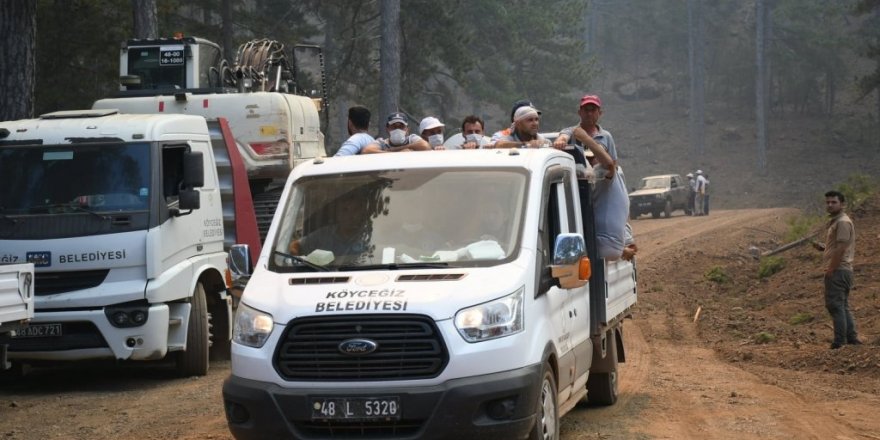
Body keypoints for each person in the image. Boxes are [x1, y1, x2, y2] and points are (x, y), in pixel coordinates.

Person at [812, 190, 860, 349]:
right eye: (828, 202)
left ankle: (839, 342)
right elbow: (836, 247)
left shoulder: (843, 222)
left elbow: (841, 249)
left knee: (835, 305)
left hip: (839, 270)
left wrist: (831, 269)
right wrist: (823, 248)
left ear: (842, 204)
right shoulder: (837, 222)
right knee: (842, 305)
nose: (830, 205)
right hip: (842, 269)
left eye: (834, 202)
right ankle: (852, 339)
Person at [289, 192, 371, 265]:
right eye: (345, 210)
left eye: (355, 210)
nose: (350, 215)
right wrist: (297, 261)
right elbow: (296, 245)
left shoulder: (368, 236)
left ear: (362, 213)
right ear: (338, 213)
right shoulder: (323, 234)